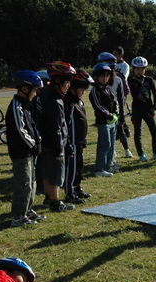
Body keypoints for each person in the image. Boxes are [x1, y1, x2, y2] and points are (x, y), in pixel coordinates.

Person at [5, 70, 46, 227]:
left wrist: (38, 140)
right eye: (34, 90)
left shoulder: (26, 106)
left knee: (32, 182)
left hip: (30, 152)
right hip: (21, 153)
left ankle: (28, 210)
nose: (35, 94)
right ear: (24, 89)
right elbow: (20, 130)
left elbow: (32, 127)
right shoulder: (16, 106)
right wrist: (33, 144)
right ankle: (17, 216)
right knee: (23, 184)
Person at [36, 61, 76, 212]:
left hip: (44, 142)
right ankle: (55, 202)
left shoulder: (45, 93)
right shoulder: (54, 100)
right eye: (67, 82)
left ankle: (48, 198)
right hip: (53, 143)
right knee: (56, 173)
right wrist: (60, 148)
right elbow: (56, 127)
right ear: (58, 81)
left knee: (47, 171)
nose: (69, 86)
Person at [128, 56, 156, 161]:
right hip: (137, 110)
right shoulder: (131, 80)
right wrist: (140, 81)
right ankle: (141, 155)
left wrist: (154, 108)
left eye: (142, 68)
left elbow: (155, 93)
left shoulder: (149, 80)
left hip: (148, 109)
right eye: (138, 69)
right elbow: (135, 94)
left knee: (155, 132)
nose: (140, 71)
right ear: (133, 69)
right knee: (138, 133)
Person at [64, 70, 93, 202]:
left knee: (79, 166)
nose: (84, 92)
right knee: (72, 168)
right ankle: (69, 193)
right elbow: (66, 124)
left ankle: (77, 188)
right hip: (72, 142)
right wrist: (68, 142)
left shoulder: (79, 101)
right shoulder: (68, 102)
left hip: (80, 141)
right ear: (74, 87)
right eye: (83, 89)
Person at [98, 52, 132, 159]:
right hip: (104, 111)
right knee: (106, 135)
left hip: (115, 110)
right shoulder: (99, 78)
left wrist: (121, 114)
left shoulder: (118, 78)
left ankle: (126, 150)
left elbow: (123, 94)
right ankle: (111, 153)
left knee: (120, 130)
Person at [89, 63, 119, 177]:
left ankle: (109, 165)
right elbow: (98, 106)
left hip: (112, 122)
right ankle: (99, 168)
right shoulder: (95, 91)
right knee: (104, 144)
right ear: (96, 77)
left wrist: (116, 112)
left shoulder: (107, 89)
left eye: (107, 75)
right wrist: (109, 115)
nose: (105, 78)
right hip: (103, 122)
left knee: (111, 144)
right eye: (102, 75)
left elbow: (115, 100)